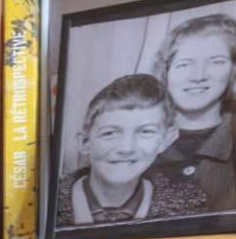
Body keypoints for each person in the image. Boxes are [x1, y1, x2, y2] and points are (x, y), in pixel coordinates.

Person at [142, 10, 236, 219]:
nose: (198, 76)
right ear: (166, 72)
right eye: (184, 64)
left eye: (216, 62)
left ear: (235, 70)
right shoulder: (134, 136)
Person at [58, 72, 177, 230]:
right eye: (110, 133)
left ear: (165, 140)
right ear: (85, 142)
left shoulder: (188, 206)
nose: (126, 148)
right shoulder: (47, 201)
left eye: (146, 132)